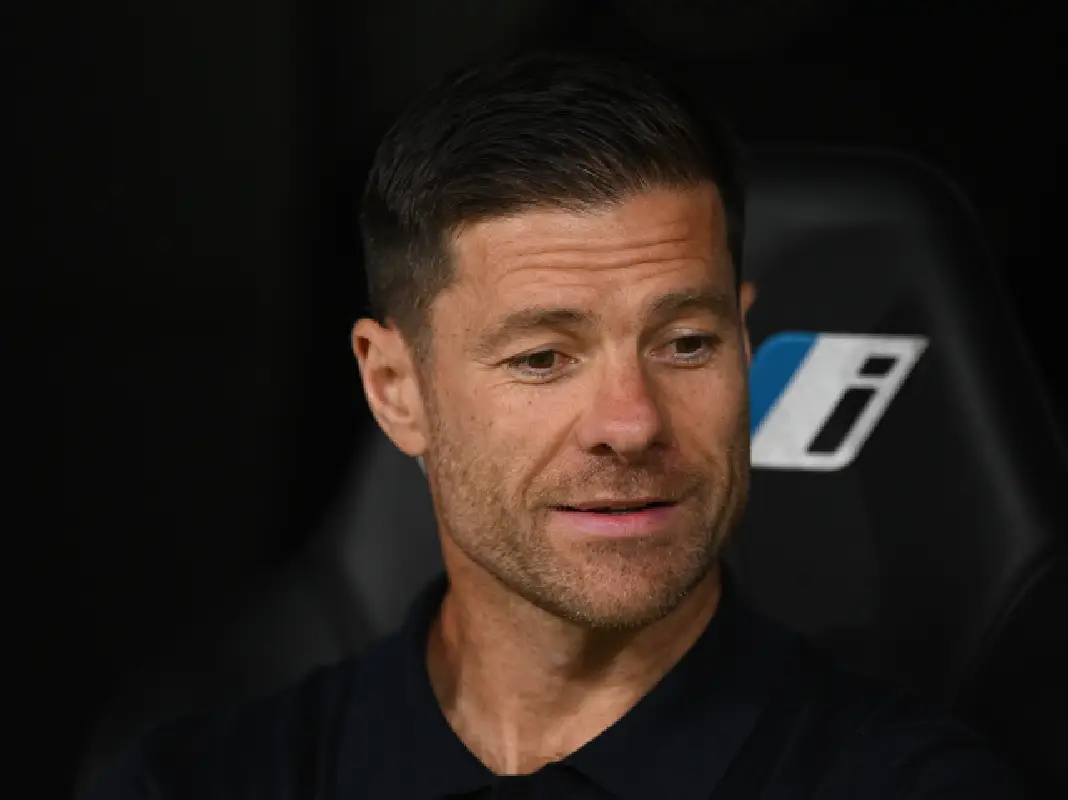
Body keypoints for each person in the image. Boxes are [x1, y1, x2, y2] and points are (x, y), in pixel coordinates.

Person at [89, 51, 1021, 799]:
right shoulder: (196, 780)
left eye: (688, 343)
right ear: (394, 388)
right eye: (543, 357)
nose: (631, 422)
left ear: (746, 338)